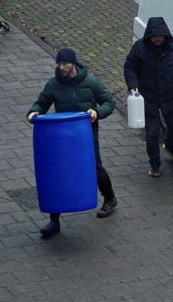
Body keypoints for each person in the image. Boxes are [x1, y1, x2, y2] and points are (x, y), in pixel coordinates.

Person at [27, 48, 117, 238]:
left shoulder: (91, 82)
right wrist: (34, 111)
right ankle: (54, 220)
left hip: (85, 134)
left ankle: (110, 198)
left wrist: (97, 113)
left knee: (95, 168)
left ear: (74, 63)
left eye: (65, 64)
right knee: (58, 173)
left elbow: (108, 102)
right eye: (59, 64)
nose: (62, 68)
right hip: (61, 137)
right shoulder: (54, 84)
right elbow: (41, 103)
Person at [124, 17, 173, 177]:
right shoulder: (139, 48)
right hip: (148, 97)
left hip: (170, 95)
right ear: (149, 36)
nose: (157, 39)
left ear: (165, 36)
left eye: (160, 36)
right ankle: (154, 164)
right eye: (154, 37)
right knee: (152, 132)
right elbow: (130, 67)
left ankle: (170, 146)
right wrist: (132, 85)